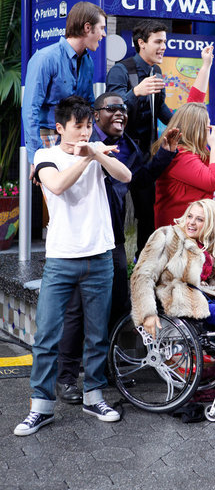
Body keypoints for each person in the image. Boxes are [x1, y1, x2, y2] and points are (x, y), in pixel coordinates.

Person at [14, 96, 131, 436]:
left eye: (87, 125)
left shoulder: (99, 151)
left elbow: (126, 175)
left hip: (100, 256)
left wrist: (96, 153)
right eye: (77, 126)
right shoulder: (45, 156)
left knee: (96, 336)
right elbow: (57, 186)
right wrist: (88, 156)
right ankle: (41, 407)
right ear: (60, 128)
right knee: (48, 334)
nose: (84, 132)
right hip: (62, 259)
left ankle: (94, 396)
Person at [55, 92, 180, 405]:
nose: (120, 113)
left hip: (112, 241)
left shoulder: (130, 147)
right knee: (76, 313)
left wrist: (164, 154)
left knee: (113, 307)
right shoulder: (83, 142)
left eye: (124, 109)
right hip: (80, 242)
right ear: (96, 115)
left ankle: (107, 369)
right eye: (112, 108)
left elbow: (136, 180)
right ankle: (67, 377)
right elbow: (57, 169)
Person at [131, 199, 215, 394]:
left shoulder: (204, 244)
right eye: (190, 216)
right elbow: (141, 275)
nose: (191, 222)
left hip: (200, 298)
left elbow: (213, 282)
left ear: (209, 224)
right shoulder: (166, 236)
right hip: (178, 302)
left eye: (200, 219)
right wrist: (147, 314)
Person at [107, 25, 214, 255]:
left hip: (150, 155)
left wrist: (184, 122)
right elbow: (111, 113)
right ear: (141, 43)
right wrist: (135, 92)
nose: (163, 47)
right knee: (115, 212)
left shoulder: (157, 72)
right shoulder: (120, 71)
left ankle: (146, 263)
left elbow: (161, 110)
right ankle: (118, 265)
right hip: (123, 154)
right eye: (158, 42)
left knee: (148, 214)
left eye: (164, 42)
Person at [22, 1, 107, 177]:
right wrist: (36, 156)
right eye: (102, 28)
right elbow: (30, 109)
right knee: (53, 198)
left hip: (75, 139)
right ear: (87, 27)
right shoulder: (45, 58)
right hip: (48, 136)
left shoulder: (88, 62)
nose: (104, 34)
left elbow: (88, 105)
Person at [152, 102, 215, 229]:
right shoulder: (181, 156)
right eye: (207, 124)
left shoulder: (191, 152)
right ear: (197, 128)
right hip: (179, 235)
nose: (210, 128)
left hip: (188, 232)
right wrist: (214, 145)